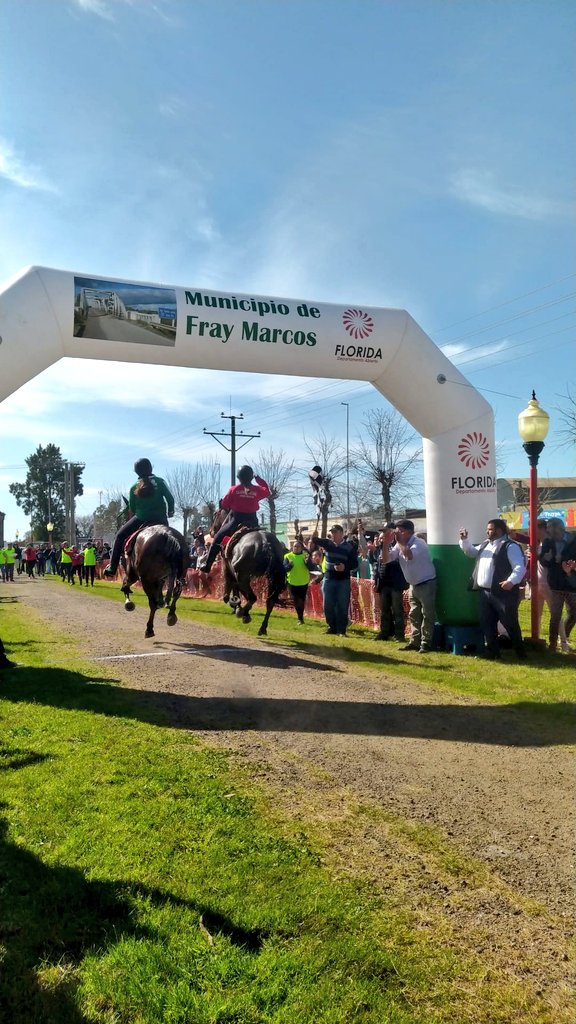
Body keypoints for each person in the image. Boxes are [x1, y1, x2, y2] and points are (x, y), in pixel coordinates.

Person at [459, 519, 526, 660]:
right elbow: (471, 552)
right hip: (484, 592)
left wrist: (511, 581)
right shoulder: (485, 544)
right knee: (487, 623)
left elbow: (519, 567)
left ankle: (520, 652)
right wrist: (464, 540)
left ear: (499, 531)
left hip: (503, 593)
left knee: (510, 623)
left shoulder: (510, 546)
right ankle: (492, 652)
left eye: (490, 529)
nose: (487, 531)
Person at [104, 458, 175, 577]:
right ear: (151, 468)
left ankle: (112, 567)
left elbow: (132, 508)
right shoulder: (160, 481)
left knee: (120, 536)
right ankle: (179, 572)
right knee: (173, 541)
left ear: (136, 472)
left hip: (142, 518)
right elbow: (170, 498)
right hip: (161, 519)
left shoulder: (133, 487)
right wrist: (170, 511)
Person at [200, 465, 270, 574]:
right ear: (251, 477)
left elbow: (224, 504)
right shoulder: (257, 490)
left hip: (237, 520)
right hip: (253, 521)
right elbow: (267, 491)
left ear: (239, 477)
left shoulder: (234, 489)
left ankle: (207, 565)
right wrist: (258, 479)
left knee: (217, 537)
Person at [380, 519, 437, 652]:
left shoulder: (419, 543)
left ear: (407, 532)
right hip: (413, 584)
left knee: (427, 614)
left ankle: (426, 643)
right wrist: (386, 543)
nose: (396, 533)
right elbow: (386, 559)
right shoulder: (399, 544)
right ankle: (414, 642)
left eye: (399, 530)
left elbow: (409, 555)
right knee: (414, 615)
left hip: (426, 582)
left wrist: (399, 541)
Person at [312, 524, 358, 636]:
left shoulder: (349, 546)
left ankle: (341, 630)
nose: (333, 534)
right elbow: (315, 540)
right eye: (332, 532)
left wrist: (345, 567)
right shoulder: (328, 544)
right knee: (327, 604)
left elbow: (354, 563)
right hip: (329, 578)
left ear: (341, 533)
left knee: (342, 605)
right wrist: (314, 535)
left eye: (335, 532)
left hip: (343, 580)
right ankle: (331, 627)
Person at [539, 519, 576, 652]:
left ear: (560, 529)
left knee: (574, 613)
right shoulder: (548, 542)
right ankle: (553, 644)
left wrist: (573, 566)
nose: (549, 531)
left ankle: (564, 636)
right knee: (555, 615)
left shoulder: (573, 539)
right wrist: (545, 559)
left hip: (572, 583)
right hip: (556, 584)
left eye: (551, 529)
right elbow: (543, 560)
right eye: (548, 528)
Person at [372, 524, 407, 642]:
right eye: (382, 532)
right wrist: (376, 580)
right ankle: (385, 633)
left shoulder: (398, 545)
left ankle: (399, 634)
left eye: (386, 531)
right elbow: (377, 565)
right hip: (383, 583)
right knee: (384, 609)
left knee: (397, 609)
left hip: (396, 582)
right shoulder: (379, 548)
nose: (383, 534)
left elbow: (401, 561)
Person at [284, 539, 311, 625]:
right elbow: (284, 569)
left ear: (302, 548)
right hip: (292, 582)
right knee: (296, 600)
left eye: (298, 546)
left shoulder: (305, 555)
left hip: (303, 582)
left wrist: (307, 562)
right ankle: (300, 618)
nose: (296, 548)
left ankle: (301, 617)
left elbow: (311, 567)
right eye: (295, 546)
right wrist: (290, 565)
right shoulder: (287, 556)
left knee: (302, 600)